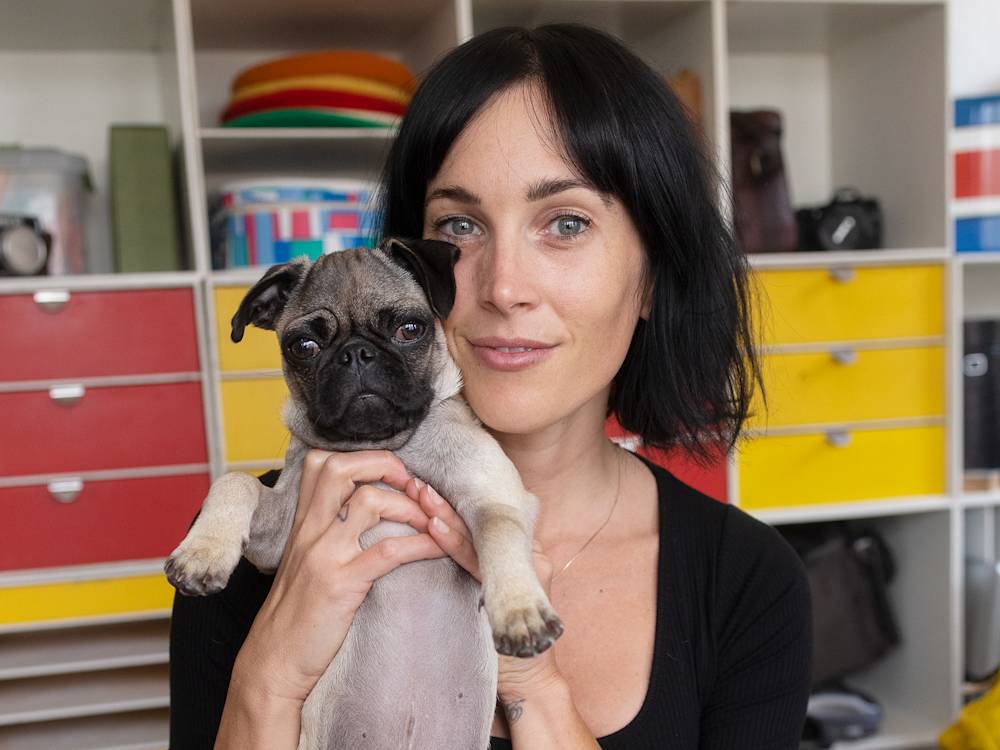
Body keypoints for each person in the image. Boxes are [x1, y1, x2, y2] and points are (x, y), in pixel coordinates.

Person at [169, 22, 813, 749]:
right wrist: (272, 672)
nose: (504, 287)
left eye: (565, 223)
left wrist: (530, 679)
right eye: (460, 226)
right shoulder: (234, 546)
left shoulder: (750, 583)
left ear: (653, 278)